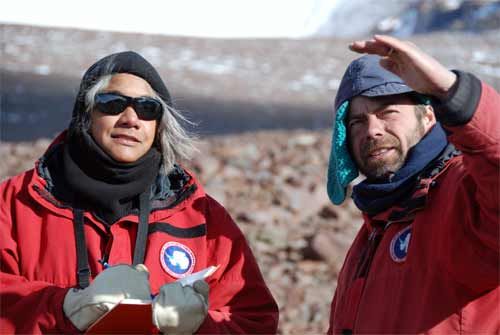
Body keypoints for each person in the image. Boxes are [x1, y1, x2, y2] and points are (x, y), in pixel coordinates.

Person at [0, 51, 278, 334]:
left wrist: (198, 328)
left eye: (148, 108)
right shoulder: (15, 203)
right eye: (113, 103)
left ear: (159, 126)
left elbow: (254, 321)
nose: (131, 118)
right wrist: (63, 308)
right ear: (85, 114)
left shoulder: (199, 216)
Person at [326, 35, 499, 333]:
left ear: (429, 114)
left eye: (387, 112)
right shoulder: (376, 226)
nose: (372, 131)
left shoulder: (463, 194)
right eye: (357, 122)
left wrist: (452, 93)